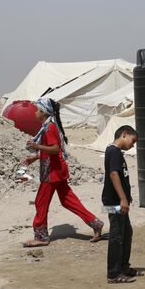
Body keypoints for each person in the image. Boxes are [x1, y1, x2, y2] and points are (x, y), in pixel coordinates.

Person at [21, 98, 104, 247]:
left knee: (41, 202)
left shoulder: (48, 128)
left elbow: (55, 149)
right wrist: (34, 157)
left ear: (44, 112)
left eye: (37, 110)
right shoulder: (49, 126)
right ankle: (95, 223)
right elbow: (52, 150)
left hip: (51, 173)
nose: (35, 113)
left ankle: (41, 236)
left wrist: (36, 146)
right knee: (68, 201)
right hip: (57, 170)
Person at [103, 125, 141, 283]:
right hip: (114, 201)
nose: (133, 145)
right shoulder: (113, 151)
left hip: (118, 201)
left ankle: (123, 266)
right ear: (124, 134)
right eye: (133, 141)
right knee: (117, 235)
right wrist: (122, 198)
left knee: (126, 233)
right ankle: (113, 273)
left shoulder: (116, 152)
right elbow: (113, 174)